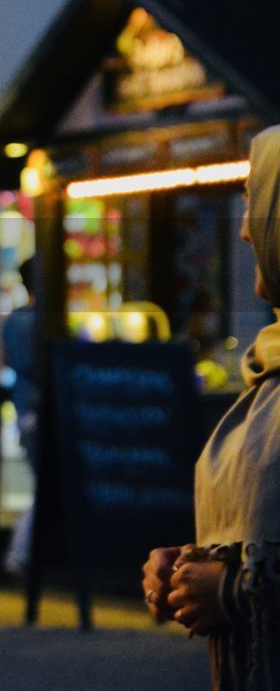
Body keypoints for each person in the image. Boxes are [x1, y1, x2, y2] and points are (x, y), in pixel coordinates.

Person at [143, 127, 280, 688]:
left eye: (261, 201)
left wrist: (235, 589)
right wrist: (193, 565)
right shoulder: (269, 366)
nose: (245, 230)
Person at [2, 255, 39, 574]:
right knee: (45, 486)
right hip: (36, 410)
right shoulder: (38, 321)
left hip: (23, 408)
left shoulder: (14, 320)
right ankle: (18, 555)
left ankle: (19, 554)